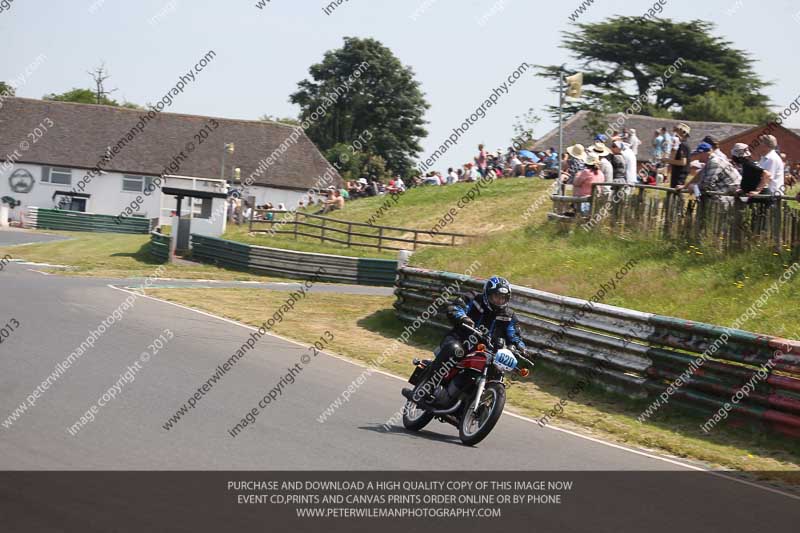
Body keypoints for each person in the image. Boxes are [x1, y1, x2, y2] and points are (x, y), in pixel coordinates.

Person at [406, 276, 527, 404]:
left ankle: (479, 403)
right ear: (487, 294)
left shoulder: (509, 316)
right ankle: (427, 387)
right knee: (454, 350)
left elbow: (514, 335)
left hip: (487, 350)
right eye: (496, 296)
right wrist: (464, 318)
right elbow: (456, 307)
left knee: (496, 370)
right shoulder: (474, 298)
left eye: (503, 298)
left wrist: (521, 348)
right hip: (461, 339)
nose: (499, 300)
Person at [662, 122, 691, 188]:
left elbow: (683, 162)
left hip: (680, 174)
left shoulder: (684, 145)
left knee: (676, 192)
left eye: (677, 131)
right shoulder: (680, 145)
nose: (675, 133)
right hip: (677, 172)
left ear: (683, 133)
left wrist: (667, 160)